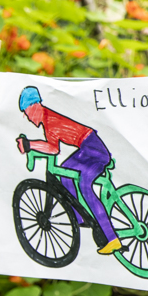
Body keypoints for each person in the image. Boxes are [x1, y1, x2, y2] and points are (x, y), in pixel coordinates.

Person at [15, 86, 121, 255]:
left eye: (27, 112)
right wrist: (31, 146)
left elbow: (52, 149)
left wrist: (29, 145)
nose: (27, 117)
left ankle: (112, 238)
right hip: (86, 148)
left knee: (85, 186)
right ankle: (80, 217)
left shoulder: (51, 121)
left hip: (93, 149)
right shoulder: (48, 119)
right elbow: (52, 147)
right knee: (64, 173)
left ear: (34, 106)